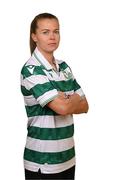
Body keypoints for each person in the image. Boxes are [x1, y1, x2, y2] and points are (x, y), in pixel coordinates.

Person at [20, 12, 89, 180]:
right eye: (46, 32)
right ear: (34, 36)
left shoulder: (64, 67)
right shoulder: (31, 69)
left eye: (56, 31)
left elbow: (85, 105)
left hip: (67, 158)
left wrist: (64, 99)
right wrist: (70, 99)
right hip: (43, 162)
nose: (52, 37)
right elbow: (63, 108)